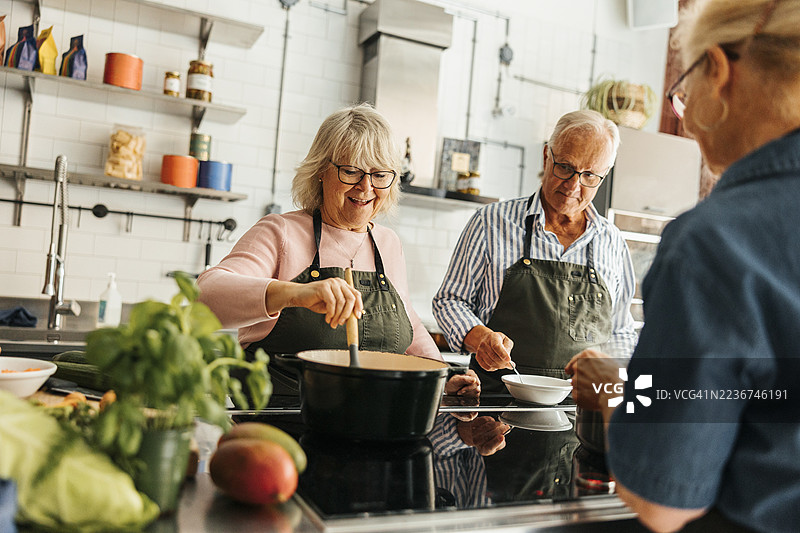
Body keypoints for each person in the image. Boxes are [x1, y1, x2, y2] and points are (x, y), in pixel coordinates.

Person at [567, 1, 800, 532]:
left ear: (718, 71)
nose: (679, 111)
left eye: (685, 85)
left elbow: (664, 501)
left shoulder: (717, 240)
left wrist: (615, 391)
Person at [198, 103, 479, 398]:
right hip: (282, 429)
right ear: (321, 170)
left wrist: (440, 376)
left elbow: (408, 325)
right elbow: (205, 296)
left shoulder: (387, 243)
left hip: (372, 427)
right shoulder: (281, 232)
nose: (366, 187)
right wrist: (295, 294)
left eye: (380, 175)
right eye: (351, 171)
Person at [433, 109, 637, 393]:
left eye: (590, 175)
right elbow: (450, 301)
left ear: (604, 176)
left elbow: (621, 331)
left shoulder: (612, 242)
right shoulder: (491, 222)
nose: (574, 186)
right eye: (565, 167)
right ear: (546, 156)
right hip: (496, 407)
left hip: (582, 414)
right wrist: (481, 339)